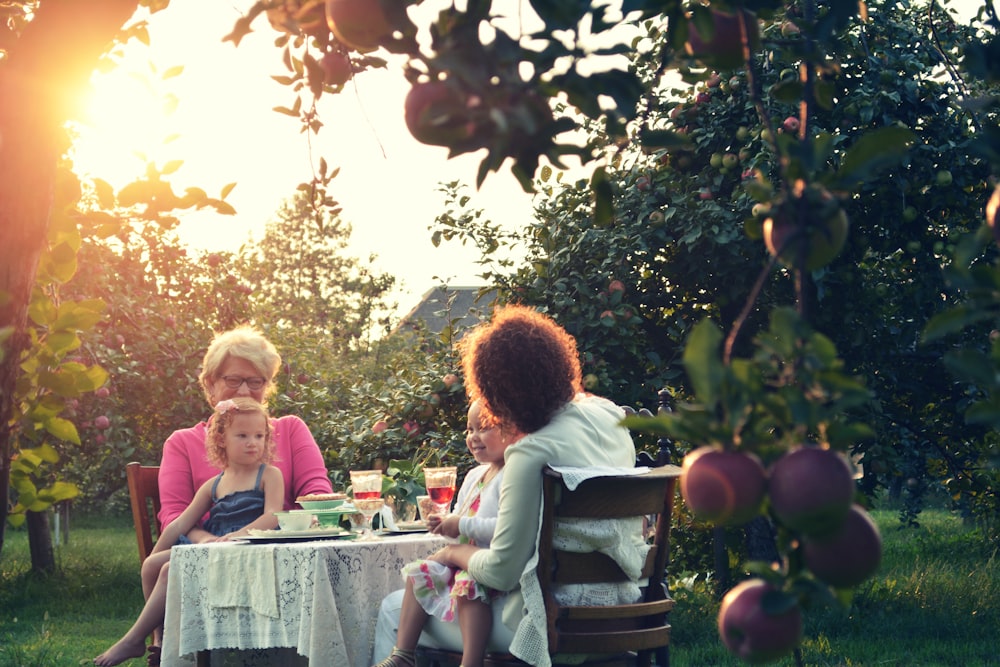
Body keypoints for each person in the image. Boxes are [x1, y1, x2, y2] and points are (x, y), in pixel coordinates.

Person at [373, 305, 643, 667]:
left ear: (499, 392)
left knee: (393, 609)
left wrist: (452, 553)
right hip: (625, 611)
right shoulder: (609, 415)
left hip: (549, 624)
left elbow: (502, 570)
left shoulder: (531, 451)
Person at [95, 398, 284, 666]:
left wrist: (238, 535)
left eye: (259, 435)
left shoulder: (269, 475)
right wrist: (157, 551)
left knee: (168, 570)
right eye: (242, 435)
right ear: (221, 439)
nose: (252, 442)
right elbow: (181, 523)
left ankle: (133, 639)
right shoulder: (214, 484)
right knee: (152, 566)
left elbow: (272, 515)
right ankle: (159, 641)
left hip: (248, 548)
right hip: (215, 547)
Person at [373, 400, 522, 667]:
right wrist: (445, 526)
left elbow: (504, 527)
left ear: (511, 430)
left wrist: (461, 525)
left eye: (483, 428)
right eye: (469, 429)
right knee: (420, 572)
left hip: (488, 564)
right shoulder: (475, 475)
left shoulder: (512, 474)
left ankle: (471, 661)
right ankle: (403, 654)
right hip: (463, 559)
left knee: (468, 588)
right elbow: (460, 524)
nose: (473, 437)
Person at [158, 324, 333, 543]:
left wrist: (296, 528)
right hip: (209, 560)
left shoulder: (291, 429)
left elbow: (317, 495)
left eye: (255, 381)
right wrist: (209, 542)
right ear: (211, 384)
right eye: (233, 380)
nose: (244, 390)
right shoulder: (182, 443)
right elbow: (175, 516)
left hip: (283, 549)